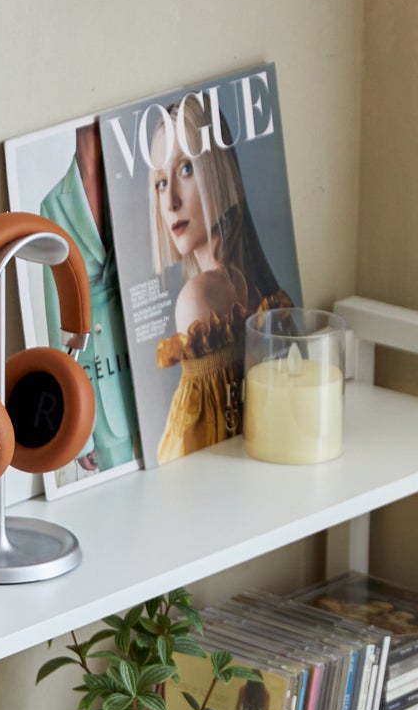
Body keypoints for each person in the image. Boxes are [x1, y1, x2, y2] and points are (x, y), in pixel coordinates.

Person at [147, 92, 292, 463]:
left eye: (186, 169)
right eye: (161, 182)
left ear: (217, 169)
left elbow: (190, 458)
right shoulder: (258, 288)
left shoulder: (198, 299)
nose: (171, 202)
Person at [38, 121, 140, 476]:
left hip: (149, 359)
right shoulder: (52, 204)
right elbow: (58, 315)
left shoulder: (139, 176)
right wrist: (79, 433)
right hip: (100, 380)